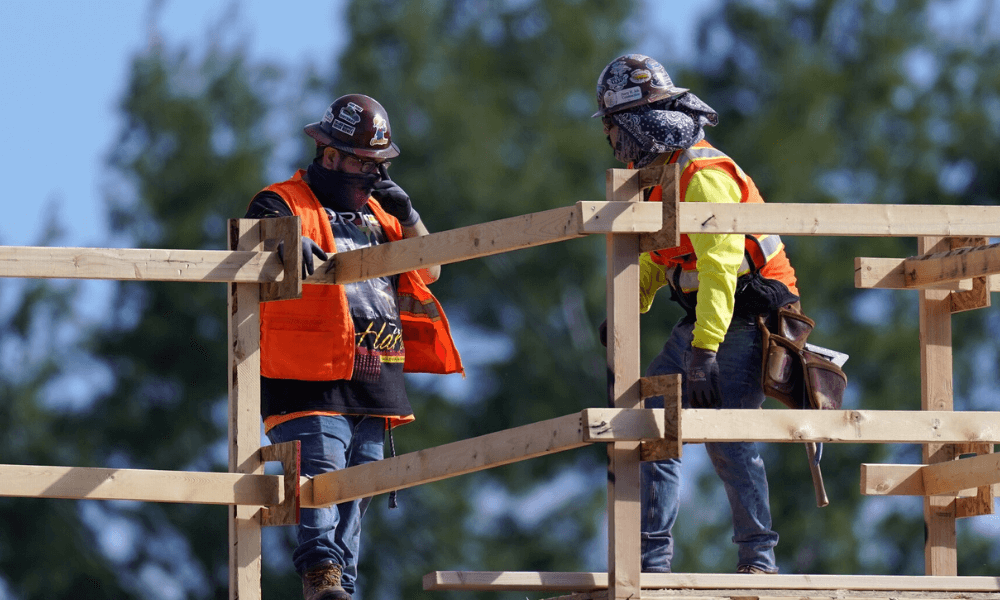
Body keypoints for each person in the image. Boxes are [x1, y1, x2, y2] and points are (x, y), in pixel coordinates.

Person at [245, 94, 463, 600]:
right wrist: (282, 241)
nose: (369, 175)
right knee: (321, 473)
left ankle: (340, 583)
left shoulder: (381, 215)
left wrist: (408, 214)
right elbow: (255, 236)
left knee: (359, 488)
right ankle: (320, 572)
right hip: (308, 375)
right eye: (361, 163)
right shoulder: (282, 201)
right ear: (330, 155)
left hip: (374, 374)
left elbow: (430, 268)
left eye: (378, 166)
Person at [593, 54, 800, 575]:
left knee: (728, 434)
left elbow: (721, 271)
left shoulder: (703, 177)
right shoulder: (662, 178)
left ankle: (759, 557)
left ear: (641, 125)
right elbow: (660, 257)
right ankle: (651, 561)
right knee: (653, 424)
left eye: (616, 131)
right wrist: (625, 308)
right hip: (711, 317)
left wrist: (704, 354)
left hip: (749, 319)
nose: (615, 145)